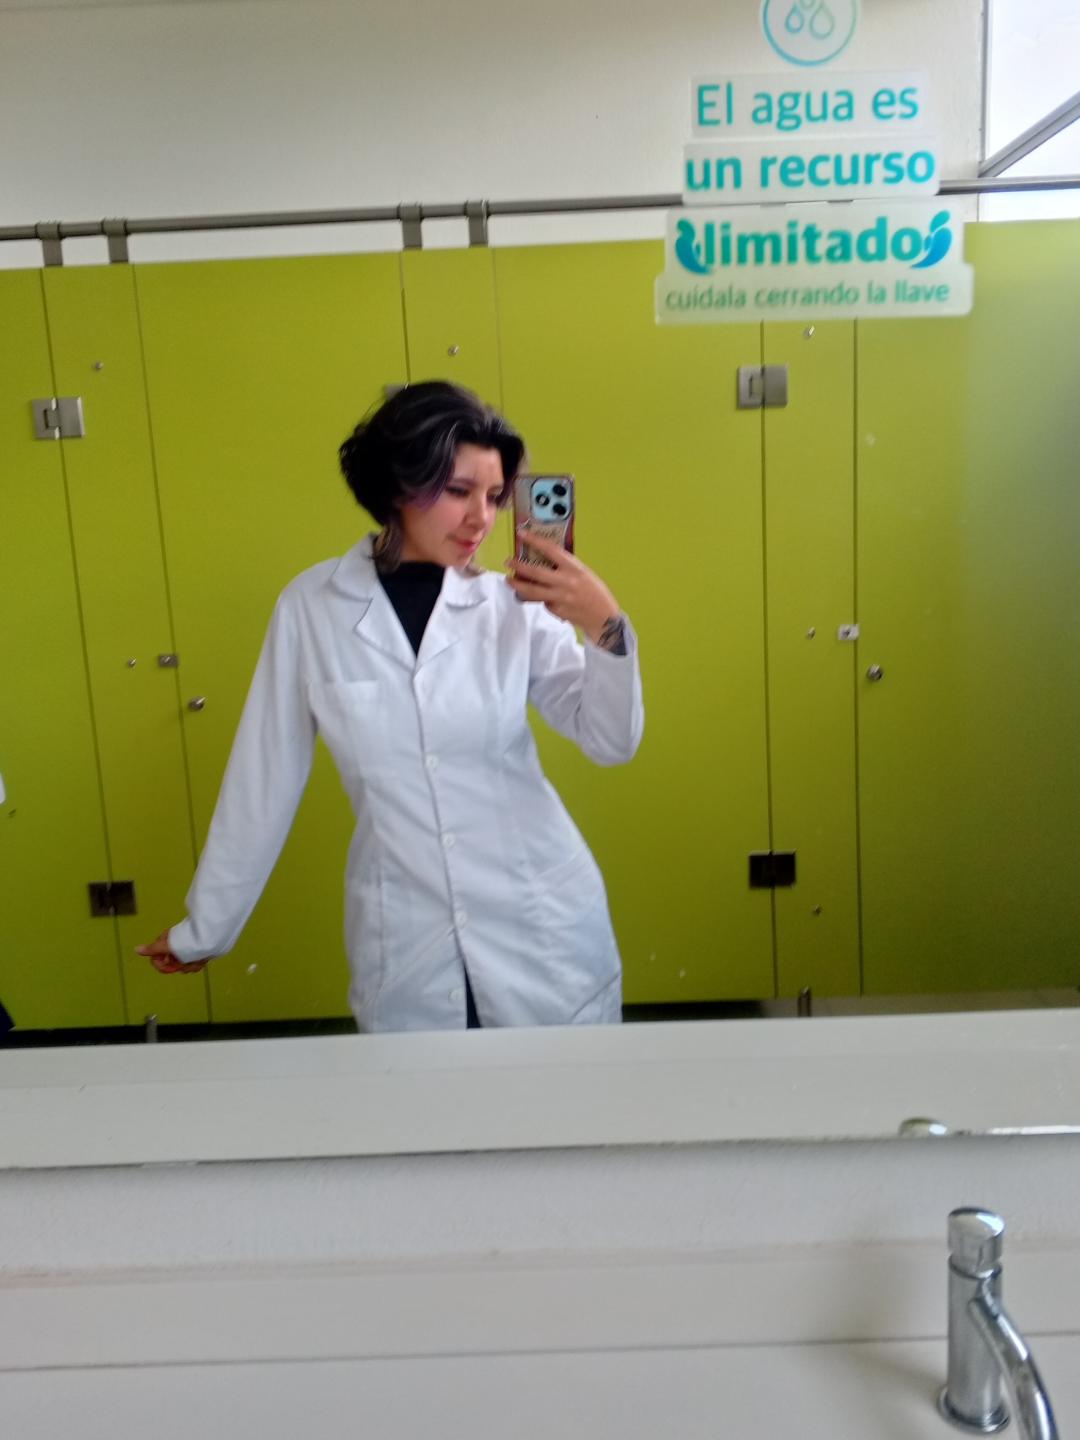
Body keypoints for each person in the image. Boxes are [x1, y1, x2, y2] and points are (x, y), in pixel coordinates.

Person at [137, 381, 643, 1031]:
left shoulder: (511, 605)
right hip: (408, 941)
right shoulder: (313, 609)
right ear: (400, 484)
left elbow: (611, 741)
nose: (481, 518)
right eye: (458, 491)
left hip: (542, 924)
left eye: (494, 497)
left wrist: (604, 625)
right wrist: (207, 927)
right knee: (424, 1095)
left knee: (554, 1093)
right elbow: (263, 779)